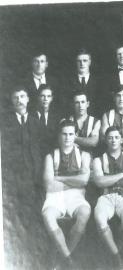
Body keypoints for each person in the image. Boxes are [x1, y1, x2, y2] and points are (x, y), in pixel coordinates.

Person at [1, 86, 46, 268]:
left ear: (28, 99)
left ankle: (39, 258)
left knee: (38, 220)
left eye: (22, 96)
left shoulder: (35, 122)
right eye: (16, 97)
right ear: (12, 102)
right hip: (16, 181)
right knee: (20, 222)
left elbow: (41, 149)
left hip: (36, 178)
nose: (19, 100)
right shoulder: (6, 124)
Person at [41, 119, 91, 269]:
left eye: (71, 134)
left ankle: (62, 259)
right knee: (48, 216)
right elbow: (49, 185)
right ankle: (68, 261)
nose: (68, 138)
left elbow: (84, 181)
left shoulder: (84, 155)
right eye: (64, 134)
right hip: (55, 197)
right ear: (59, 136)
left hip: (75, 196)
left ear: (75, 135)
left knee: (85, 213)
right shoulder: (50, 156)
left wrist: (59, 178)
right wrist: (73, 182)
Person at [92, 126, 123, 269]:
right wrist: (121, 175)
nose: (113, 140)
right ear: (106, 140)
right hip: (106, 196)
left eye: (116, 137)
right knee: (100, 219)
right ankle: (117, 256)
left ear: (121, 139)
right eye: (110, 137)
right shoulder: (98, 160)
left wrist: (108, 178)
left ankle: (113, 251)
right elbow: (99, 182)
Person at [66, 48, 103, 117]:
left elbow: (101, 104)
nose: (82, 63)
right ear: (76, 63)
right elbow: (66, 104)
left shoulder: (99, 81)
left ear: (89, 62)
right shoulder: (68, 82)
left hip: (95, 120)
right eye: (79, 61)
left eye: (85, 61)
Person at [35, 84, 62, 155]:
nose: (45, 99)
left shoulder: (57, 117)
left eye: (48, 96)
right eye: (42, 96)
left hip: (53, 153)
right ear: (38, 97)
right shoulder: (30, 115)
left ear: (52, 98)